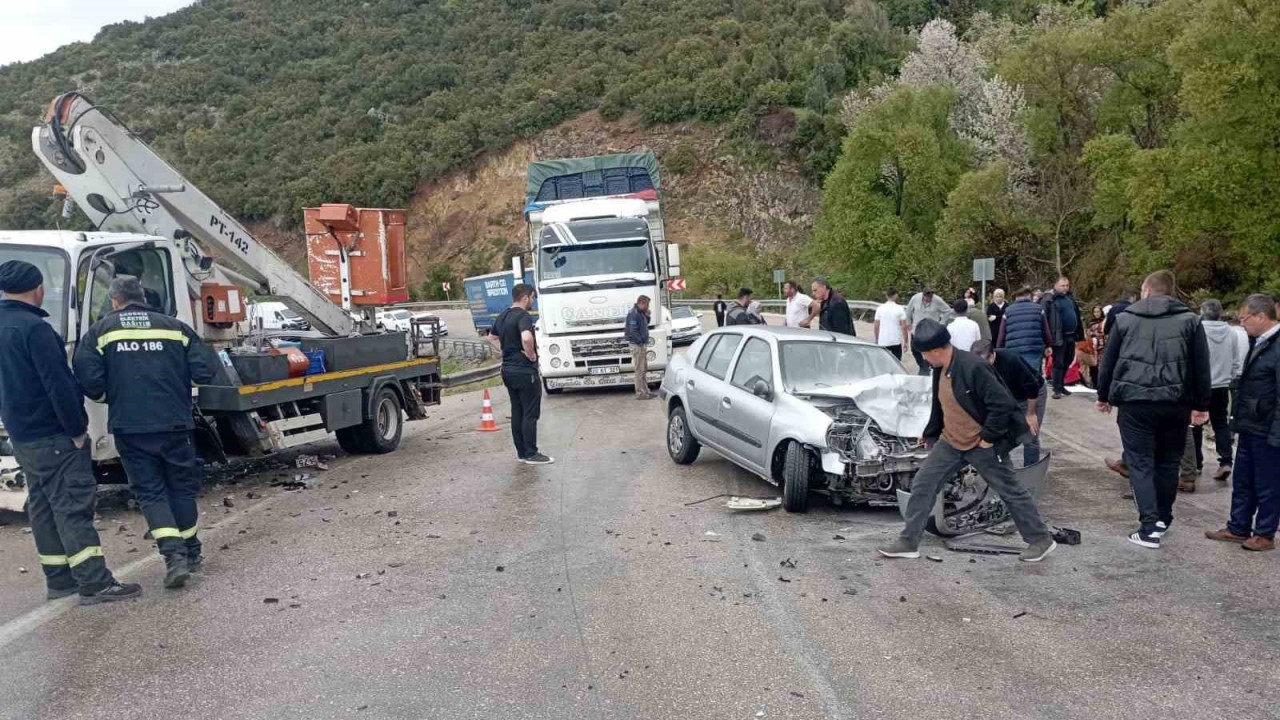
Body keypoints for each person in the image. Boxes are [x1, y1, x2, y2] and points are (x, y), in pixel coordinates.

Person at [0, 262, 141, 605]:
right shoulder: (35, 329)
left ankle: (59, 579)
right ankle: (94, 582)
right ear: (37, 289)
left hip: (23, 435)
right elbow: (58, 384)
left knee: (43, 505)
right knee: (72, 506)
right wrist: (77, 429)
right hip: (55, 435)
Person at [74, 277, 219, 589]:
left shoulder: (100, 332)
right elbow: (206, 369)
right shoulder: (174, 327)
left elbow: (88, 378)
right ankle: (191, 550)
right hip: (175, 422)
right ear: (143, 297)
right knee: (181, 488)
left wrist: (111, 394)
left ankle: (173, 557)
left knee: (151, 491)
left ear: (114, 300)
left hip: (131, 425)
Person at [877, 320, 1057, 563]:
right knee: (923, 484)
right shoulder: (940, 368)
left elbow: (1002, 404)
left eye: (924, 355)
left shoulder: (973, 367)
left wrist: (987, 438)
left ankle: (1040, 540)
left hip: (981, 443)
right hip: (950, 442)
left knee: (1010, 491)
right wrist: (931, 431)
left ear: (936, 351)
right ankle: (908, 542)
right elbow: (941, 405)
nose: (925, 360)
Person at [1096, 270, 1211, 549]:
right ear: (1171, 292)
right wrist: (1201, 405)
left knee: (1141, 463)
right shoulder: (1191, 321)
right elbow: (1200, 366)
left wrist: (1104, 396)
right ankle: (1163, 518)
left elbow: (1108, 362)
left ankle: (1149, 527)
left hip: (1135, 403)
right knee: (1168, 462)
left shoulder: (1125, 320)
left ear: (1146, 291)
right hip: (1176, 403)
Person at [1205, 294, 1280, 552]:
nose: (1242, 323)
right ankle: (1238, 526)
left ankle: (1265, 533)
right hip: (1249, 424)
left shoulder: (1276, 346)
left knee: (1267, 483)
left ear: (1261, 316)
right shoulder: (1258, 341)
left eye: (1244, 318)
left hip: (1267, 428)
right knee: (1243, 479)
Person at [485, 283, 552, 465]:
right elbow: (527, 337)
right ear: (526, 297)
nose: (533, 302)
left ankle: (521, 453)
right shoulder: (523, 316)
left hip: (507, 370)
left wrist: (506, 351)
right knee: (530, 412)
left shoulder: (503, 315)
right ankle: (532, 453)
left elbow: (491, 338)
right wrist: (530, 355)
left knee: (517, 411)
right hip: (524, 371)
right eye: (533, 298)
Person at [972, 339, 1046, 468]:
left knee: (1030, 434)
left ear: (992, 355)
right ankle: (1002, 469)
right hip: (1008, 396)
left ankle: (1030, 470)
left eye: (984, 362)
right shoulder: (975, 365)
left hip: (1031, 393)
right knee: (997, 432)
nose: (980, 366)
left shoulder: (1011, 360)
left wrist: (1030, 414)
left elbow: (1032, 385)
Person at [1194, 299, 1243, 485]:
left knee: (1196, 423)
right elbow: (1235, 359)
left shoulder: (1198, 330)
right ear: (1220, 313)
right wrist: (1228, 376)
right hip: (1222, 385)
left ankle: (1197, 462)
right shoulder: (1231, 333)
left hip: (1201, 385)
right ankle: (1226, 461)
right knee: (1220, 423)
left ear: (1202, 311)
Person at [1040, 276, 1083, 399]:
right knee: (1058, 362)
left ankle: (1061, 384)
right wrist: (1047, 339)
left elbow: (1076, 315)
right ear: (1055, 286)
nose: (1065, 288)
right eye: (1062, 285)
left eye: (1067, 285)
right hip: (1058, 335)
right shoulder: (1049, 299)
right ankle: (1057, 388)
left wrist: (1079, 333)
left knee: (1068, 360)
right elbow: (1044, 319)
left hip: (1071, 335)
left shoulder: (1070, 298)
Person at [996, 287, 1051, 378]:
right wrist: (1049, 345)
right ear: (1030, 296)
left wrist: (999, 349)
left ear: (1016, 297)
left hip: (1013, 350)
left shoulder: (1008, 310)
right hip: (1033, 349)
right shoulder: (1038, 309)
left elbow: (1002, 333)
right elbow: (1045, 329)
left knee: (1016, 377)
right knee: (1033, 377)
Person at [905, 288, 952, 375]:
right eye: (926, 298)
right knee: (915, 349)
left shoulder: (937, 300)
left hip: (931, 331)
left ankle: (931, 367)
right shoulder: (915, 298)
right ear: (923, 295)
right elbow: (908, 311)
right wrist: (908, 322)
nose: (927, 300)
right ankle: (923, 367)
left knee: (930, 350)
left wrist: (941, 323)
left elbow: (948, 310)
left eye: (930, 298)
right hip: (916, 329)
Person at [625, 295, 655, 400]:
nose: (648, 306)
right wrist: (640, 342)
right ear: (641, 303)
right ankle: (640, 393)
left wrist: (648, 316)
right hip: (637, 345)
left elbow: (645, 324)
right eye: (647, 304)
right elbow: (633, 331)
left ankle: (646, 391)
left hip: (641, 344)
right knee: (639, 370)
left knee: (643, 369)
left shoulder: (641, 312)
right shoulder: (634, 313)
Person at [873, 288, 909, 360]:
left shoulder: (880, 308)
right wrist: (906, 341)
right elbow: (904, 326)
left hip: (883, 341)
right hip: (895, 340)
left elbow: (876, 325)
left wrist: (877, 338)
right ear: (896, 296)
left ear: (886, 296)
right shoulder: (900, 308)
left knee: (884, 362)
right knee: (896, 363)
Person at [1077, 305, 1106, 388]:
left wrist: (1098, 334)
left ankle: (1101, 382)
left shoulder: (1104, 321)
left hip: (1102, 345)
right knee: (1093, 364)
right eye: (1095, 312)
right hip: (1092, 345)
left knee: (1101, 364)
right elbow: (1088, 333)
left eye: (1098, 312)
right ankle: (1094, 382)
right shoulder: (1091, 322)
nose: (1096, 314)